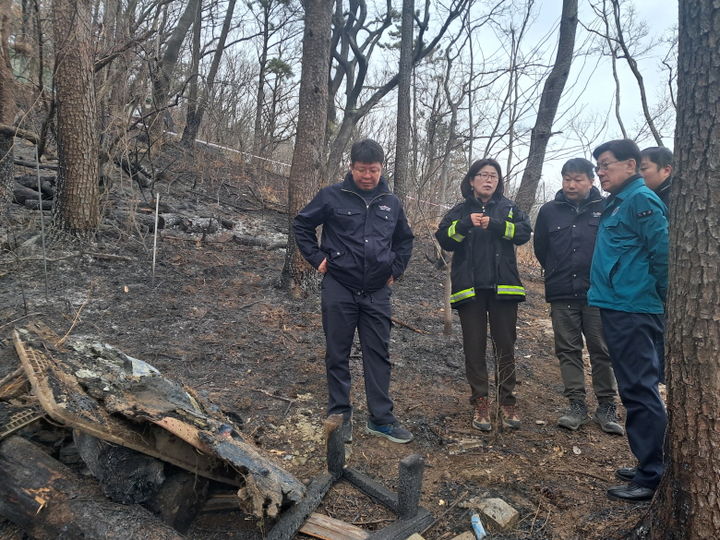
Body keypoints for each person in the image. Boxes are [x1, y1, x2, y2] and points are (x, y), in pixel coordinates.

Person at [293, 139, 415, 444]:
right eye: (362, 169)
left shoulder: (391, 202)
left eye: (373, 170)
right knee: (338, 353)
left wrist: (395, 270)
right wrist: (317, 258)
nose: (367, 176)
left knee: (378, 354)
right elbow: (302, 225)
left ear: (381, 168)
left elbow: (404, 240)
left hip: (376, 292)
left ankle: (381, 419)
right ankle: (340, 414)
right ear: (351, 167)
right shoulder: (332, 196)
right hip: (339, 287)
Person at [588, 139, 669, 502]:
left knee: (639, 389)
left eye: (605, 165)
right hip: (618, 304)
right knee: (633, 388)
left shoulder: (641, 201)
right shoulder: (619, 202)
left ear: (631, 165)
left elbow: (663, 255)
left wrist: (664, 301)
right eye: (598, 167)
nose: (600, 173)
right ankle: (647, 462)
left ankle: (652, 475)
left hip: (635, 308)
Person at [435, 159, 531, 431]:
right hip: (470, 290)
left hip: (504, 289)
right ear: (471, 180)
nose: (488, 180)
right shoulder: (459, 211)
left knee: (505, 346)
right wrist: (464, 225)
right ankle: (480, 402)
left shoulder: (509, 209)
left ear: (498, 182)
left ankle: (507, 401)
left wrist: (498, 226)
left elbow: (524, 234)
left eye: (493, 176)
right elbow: (444, 238)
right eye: (482, 175)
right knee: (474, 348)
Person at [533, 158, 623, 435]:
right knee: (567, 350)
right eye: (567, 179)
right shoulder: (549, 211)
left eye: (578, 179)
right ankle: (576, 404)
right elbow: (541, 250)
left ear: (591, 180)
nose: (571, 184)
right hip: (561, 293)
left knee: (602, 350)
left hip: (599, 294)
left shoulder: (608, 207)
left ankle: (607, 406)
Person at [640, 146, 673, 383]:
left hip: (668, 289)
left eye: (644, 168)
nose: (639, 175)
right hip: (650, 291)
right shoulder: (646, 198)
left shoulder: (675, 199)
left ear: (666, 169)